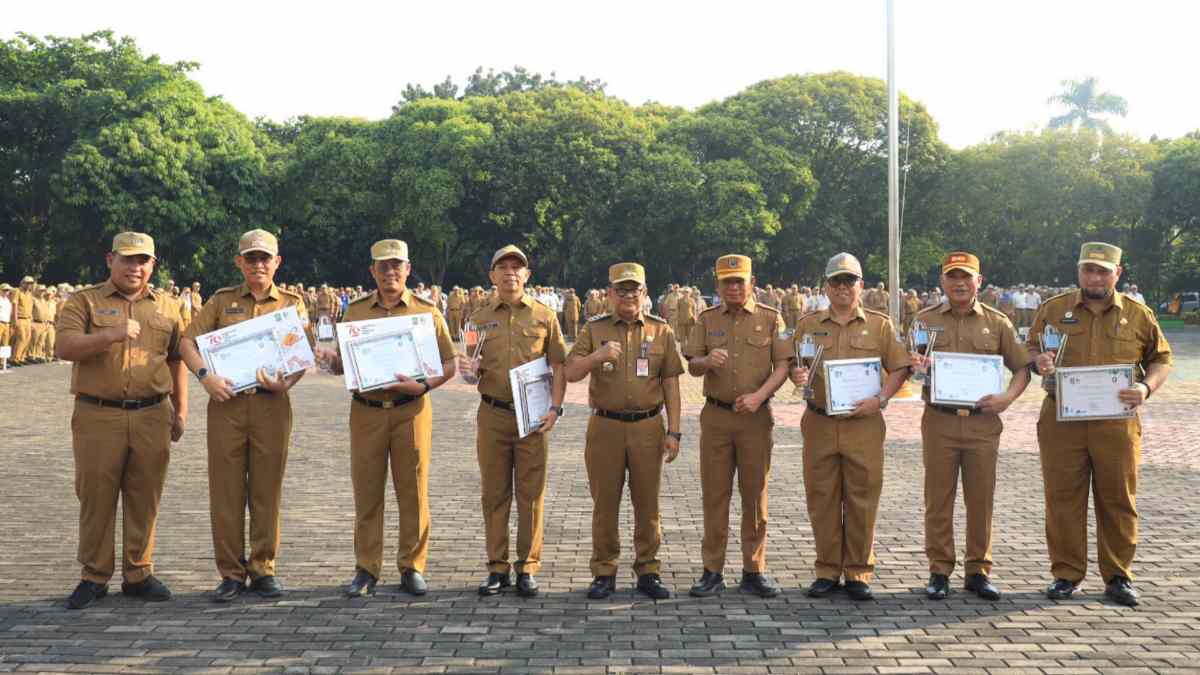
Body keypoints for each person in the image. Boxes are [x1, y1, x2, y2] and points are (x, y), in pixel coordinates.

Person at [1028, 242, 1171, 606]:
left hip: (1116, 424)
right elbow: (1030, 347)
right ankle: (1066, 573)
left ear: (1117, 274)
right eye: (1088, 270)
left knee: (1118, 499)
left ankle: (1118, 576)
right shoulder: (1054, 309)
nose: (1095, 277)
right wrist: (1038, 361)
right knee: (1062, 498)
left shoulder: (1138, 314)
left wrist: (1145, 387)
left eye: (1103, 271)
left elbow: (1161, 359)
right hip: (1062, 421)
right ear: (1079, 271)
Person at [315, 239, 457, 597]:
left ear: (408, 269)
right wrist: (332, 363)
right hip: (367, 411)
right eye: (383, 266)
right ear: (372, 271)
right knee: (367, 492)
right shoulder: (356, 312)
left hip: (411, 410)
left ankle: (412, 566)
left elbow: (450, 363)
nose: (390, 272)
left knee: (413, 491)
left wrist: (422, 386)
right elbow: (346, 364)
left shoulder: (427, 311)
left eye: (396, 265)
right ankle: (366, 568)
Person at [54, 232, 188, 609]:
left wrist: (181, 409)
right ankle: (94, 575)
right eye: (127, 259)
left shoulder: (168, 306)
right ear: (109, 259)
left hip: (152, 414)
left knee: (146, 495)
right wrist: (111, 335)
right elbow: (64, 347)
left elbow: (177, 357)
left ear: (153, 265)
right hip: (99, 413)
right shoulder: (84, 301)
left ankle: (138, 572)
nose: (135, 267)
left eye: (143, 261)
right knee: (96, 495)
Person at [179, 229, 310, 603]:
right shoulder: (221, 301)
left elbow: (300, 355)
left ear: (277, 262)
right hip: (227, 405)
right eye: (251, 258)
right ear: (239, 262)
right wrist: (205, 377)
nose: (258, 264)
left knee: (267, 490)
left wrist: (287, 382)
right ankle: (231, 573)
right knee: (226, 491)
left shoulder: (292, 303)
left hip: (272, 404)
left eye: (265, 258)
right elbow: (187, 342)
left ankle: (263, 567)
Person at [908, 252, 1032, 601]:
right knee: (938, 499)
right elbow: (910, 366)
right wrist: (915, 366)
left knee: (981, 499)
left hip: (982, 423)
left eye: (966, 277)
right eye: (953, 276)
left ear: (979, 281)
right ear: (942, 281)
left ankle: (978, 570)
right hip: (940, 421)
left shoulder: (998, 322)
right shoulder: (924, 320)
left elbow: (1022, 368)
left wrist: (1007, 398)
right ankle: (939, 570)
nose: (960, 283)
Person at [789, 253, 909, 601]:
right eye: (836, 281)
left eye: (849, 281)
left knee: (862, 499)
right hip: (820, 422)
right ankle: (827, 569)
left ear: (861, 285)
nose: (843, 287)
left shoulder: (880, 325)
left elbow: (900, 368)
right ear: (826, 286)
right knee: (822, 498)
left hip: (864, 424)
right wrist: (797, 376)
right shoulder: (808, 324)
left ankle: (858, 571)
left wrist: (881, 399)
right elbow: (796, 365)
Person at [565, 263, 684, 600]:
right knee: (605, 503)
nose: (629, 295)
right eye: (622, 289)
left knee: (647, 503)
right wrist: (597, 356)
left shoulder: (661, 331)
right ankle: (604, 571)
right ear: (610, 293)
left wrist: (674, 432)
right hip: (606, 427)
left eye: (635, 289)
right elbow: (571, 372)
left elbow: (672, 385)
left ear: (644, 293)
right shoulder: (594, 329)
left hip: (648, 427)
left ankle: (648, 570)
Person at [458, 245, 567, 598]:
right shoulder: (476, 319)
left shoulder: (544, 316)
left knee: (531, 494)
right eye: (502, 267)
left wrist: (556, 408)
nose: (510, 273)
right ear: (492, 275)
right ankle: (497, 567)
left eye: (516, 267)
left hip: (532, 417)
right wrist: (468, 372)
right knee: (494, 493)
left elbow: (559, 365)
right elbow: (470, 369)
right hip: (493, 414)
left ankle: (528, 567)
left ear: (527, 275)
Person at [685, 254, 790, 599]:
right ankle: (712, 570)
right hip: (716, 417)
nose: (732, 287)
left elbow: (782, 366)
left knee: (755, 495)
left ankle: (754, 570)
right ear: (717, 285)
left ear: (751, 282)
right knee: (715, 495)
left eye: (739, 281)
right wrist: (705, 361)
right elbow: (692, 364)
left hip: (755, 419)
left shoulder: (770, 318)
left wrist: (760, 396)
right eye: (726, 282)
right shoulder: (707, 319)